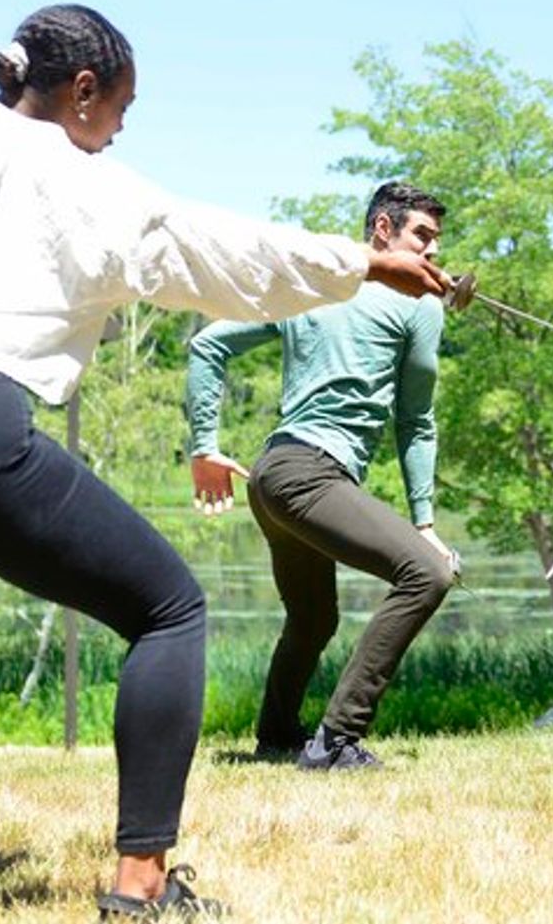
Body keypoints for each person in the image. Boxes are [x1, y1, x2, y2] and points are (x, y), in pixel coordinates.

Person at [0, 5, 446, 919]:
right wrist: (365, 265)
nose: (122, 130)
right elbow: (230, 255)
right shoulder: (96, 189)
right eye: (122, 107)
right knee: (167, 609)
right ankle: (140, 888)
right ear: (84, 90)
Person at [186, 181, 457, 771]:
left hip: (271, 477)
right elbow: (417, 421)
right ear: (382, 231)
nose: (433, 252)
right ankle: (337, 741)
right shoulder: (419, 305)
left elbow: (206, 345)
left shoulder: (313, 289)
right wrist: (426, 526)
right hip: (307, 473)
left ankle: (278, 735)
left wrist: (205, 447)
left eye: (436, 241)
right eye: (423, 237)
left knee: (314, 618)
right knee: (427, 574)